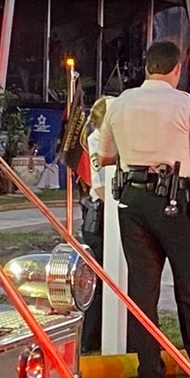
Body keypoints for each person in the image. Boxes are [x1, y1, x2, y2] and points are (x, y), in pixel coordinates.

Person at [97, 40, 190, 378]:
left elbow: (105, 156)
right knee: (189, 288)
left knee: (142, 289)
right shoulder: (186, 104)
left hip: (132, 201)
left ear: (147, 67)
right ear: (176, 69)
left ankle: (148, 374)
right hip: (175, 203)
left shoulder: (119, 104)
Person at [79, 95, 114, 353]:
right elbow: (99, 186)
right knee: (99, 283)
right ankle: (91, 339)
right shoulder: (96, 140)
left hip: (111, 215)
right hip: (101, 219)